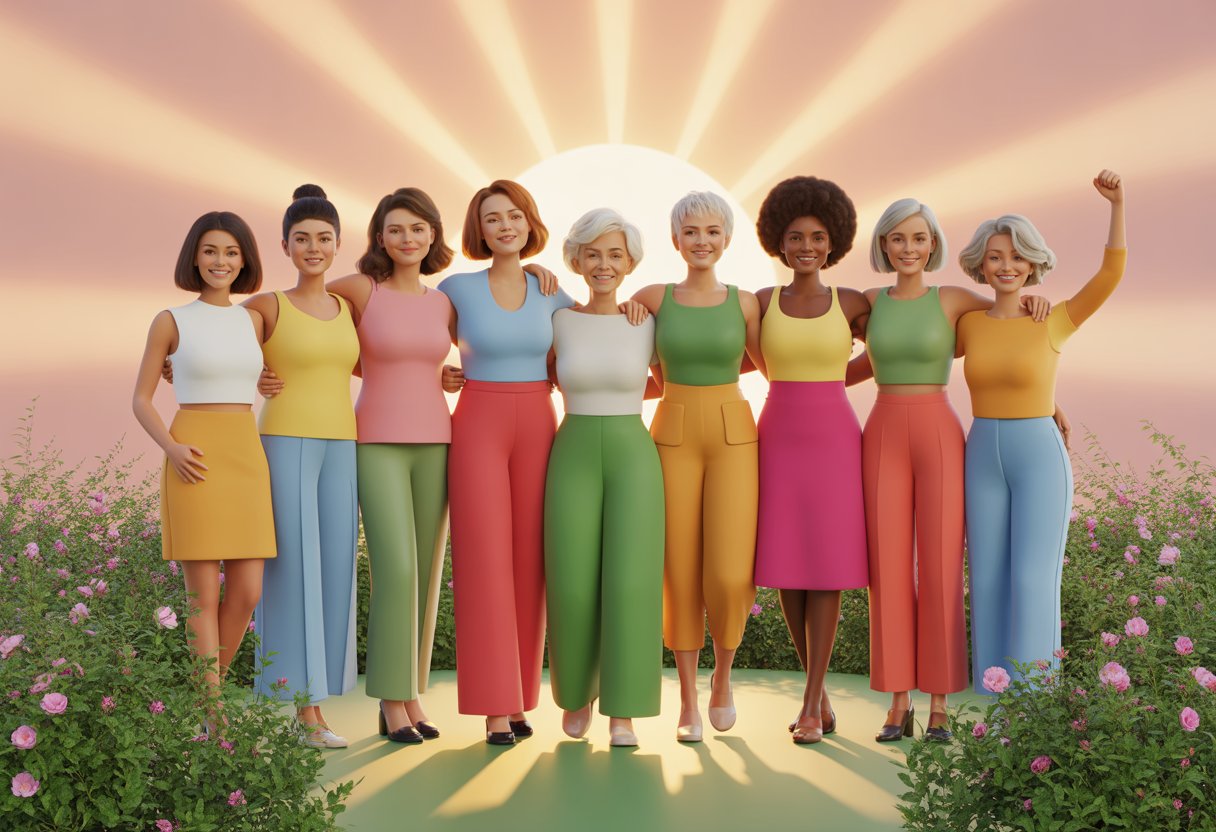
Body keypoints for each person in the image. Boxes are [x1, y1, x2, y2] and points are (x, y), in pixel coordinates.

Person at [855, 198, 1050, 742]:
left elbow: (1008, 328)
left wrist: (1045, 396)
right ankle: (898, 700)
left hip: (940, 434)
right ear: (883, 244)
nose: (909, 248)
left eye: (919, 238)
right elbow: (838, 357)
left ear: (934, 244)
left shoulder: (954, 300)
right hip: (882, 433)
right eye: (898, 238)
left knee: (942, 565)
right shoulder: (867, 302)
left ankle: (939, 703)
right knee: (888, 568)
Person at [957, 170, 1126, 692]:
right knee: (986, 578)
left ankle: (1034, 695)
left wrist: (1117, 206)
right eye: (995, 257)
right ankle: (990, 691)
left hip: (1038, 457)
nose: (1006, 265)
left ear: (1033, 264)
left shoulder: (1052, 320)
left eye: (1017, 256)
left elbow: (1109, 276)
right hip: (980, 453)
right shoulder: (967, 323)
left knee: (1033, 578)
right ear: (981, 264)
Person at [438, 180, 575, 745]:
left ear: (529, 222)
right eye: (492, 218)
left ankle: (519, 698)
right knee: (484, 561)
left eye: (514, 215)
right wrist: (439, 374)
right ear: (479, 229)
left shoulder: (553, 292)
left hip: (539, 421)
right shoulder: (455, 290)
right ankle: (494, 707)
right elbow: (414, 343)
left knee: (528, 562)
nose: (505, 226)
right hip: (478, 423)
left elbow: (587, 341)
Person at [631, 191, 763, 743]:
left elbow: (774, 367)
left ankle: (723, 677)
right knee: (679, 571)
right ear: (675, 240)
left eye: (712, 231)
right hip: (673, 435)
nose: (701, 241)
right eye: (691, 232)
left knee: (731, 573)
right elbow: (615, 351)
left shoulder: (747, 303)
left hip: (735, 436)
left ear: (727, 239)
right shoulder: (651, 299)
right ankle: (687, 699)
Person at [132, 211, 274, 723]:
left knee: (248, 592)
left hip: (246, 454)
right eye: (211, 250)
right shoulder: (170, 320)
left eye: (232, 252)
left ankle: (202, 699)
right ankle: (213, 713)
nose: (221, 261)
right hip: (194, 457)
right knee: (203, 596)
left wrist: (269, 382)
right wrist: (172, 448)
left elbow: (263, 369)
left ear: (245, 259)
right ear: (194, 257)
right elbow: (141, 399)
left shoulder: (254, 320)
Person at [753, 177, 868, 744]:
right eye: (796, 236)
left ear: (833, 242)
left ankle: (809, 704)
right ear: (779, 239)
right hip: (777, 436)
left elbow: (896, 348)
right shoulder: (759, 302)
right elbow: (744, 358)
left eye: (818, 237)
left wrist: (832, 381)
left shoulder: (853, 303)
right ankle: (817, 695)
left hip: (834, 441)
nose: (807, 246)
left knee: (825, 570)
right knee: (788, 570)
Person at [545, 209, 664, 748]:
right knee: (571, 579)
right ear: (576, 259)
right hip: (571, 449)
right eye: (592, 253)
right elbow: (530, 369)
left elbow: (673, 379)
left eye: (615, 254)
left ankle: (624, 710)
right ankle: (577, 694)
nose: (604, 264)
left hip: (633, 453)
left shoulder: (648, 322)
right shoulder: (558, 320)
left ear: (631, 262)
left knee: (631, 581)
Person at [247, 185, 360, 748]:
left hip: (343, 443)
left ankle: (323, 693)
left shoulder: (349, 308)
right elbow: (209, 344)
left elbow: (384, 358)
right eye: (302, 239)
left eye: (323, 238)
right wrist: (251, 374)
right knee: (292, 570)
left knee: (337, 567)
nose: (313, 248)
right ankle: (304, 710)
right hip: (285, 440)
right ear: (285, 246)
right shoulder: (267, 306)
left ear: (338, 244)